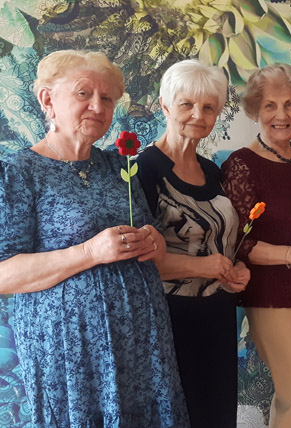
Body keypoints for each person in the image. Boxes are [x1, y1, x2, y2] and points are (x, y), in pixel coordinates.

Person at [0, 50, 188, 426]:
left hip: (142, 345)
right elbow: (4, 274)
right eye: (83, 94)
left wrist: (153, 240)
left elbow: (154, 247)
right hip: (71, 357)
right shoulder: (18, 172)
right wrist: (89, 252)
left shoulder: (119, 167)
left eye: (107, 98)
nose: (98, 107)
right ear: (48, 100)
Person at [220, 63, 291, 428]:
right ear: (255, 110)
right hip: (271, 298)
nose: (281, 115)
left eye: (289, 104)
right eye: (270, 105)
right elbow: (240, 243)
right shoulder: (241, 164)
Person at [136, 59, 249, 428]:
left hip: (217, 315)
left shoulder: (212, 171)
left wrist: (235, 269)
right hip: (170, 320)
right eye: (186, 104)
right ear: (165, 105)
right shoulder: (142, 171)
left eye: (209, 107)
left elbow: (222, 241)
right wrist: (206, 266)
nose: (198, 115)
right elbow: (135, 260)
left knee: (218, 416)